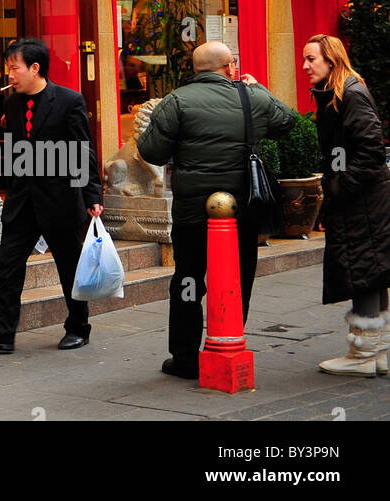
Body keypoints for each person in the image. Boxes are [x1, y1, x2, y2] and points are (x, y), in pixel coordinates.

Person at [136, 40, 297, 378]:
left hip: (193, 213)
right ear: (231, 67)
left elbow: (150, 151)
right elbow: (287, 122)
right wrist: (258, 88)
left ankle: (184, 357)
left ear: (194, 70)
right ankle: (228, 341)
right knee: (238, 279)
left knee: (189, 280)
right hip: (241, 211)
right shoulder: (250, 96)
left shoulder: (176, 101)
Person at [0, 38, 103, 354]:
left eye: (14, 68)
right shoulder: (12, 104)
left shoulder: (69, 101)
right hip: (23, 200)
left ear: (34, 68)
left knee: (69, 265)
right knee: (7, 262)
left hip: (61, 198)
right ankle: (2, 330)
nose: (9, 75)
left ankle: (78, 327)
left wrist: (92, 195)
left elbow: (83, 150)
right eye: (8, 68)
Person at [301, 34, 390, 376]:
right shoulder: (337, 94)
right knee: (370, 269)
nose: (306, 66)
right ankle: (373, 353)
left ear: (332, 61)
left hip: (363, 200)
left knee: (364, 269)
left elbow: (370, 152)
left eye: (312, 59)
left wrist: (341, 189)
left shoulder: (350, 95)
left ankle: (364, 356)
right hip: (361, 198)